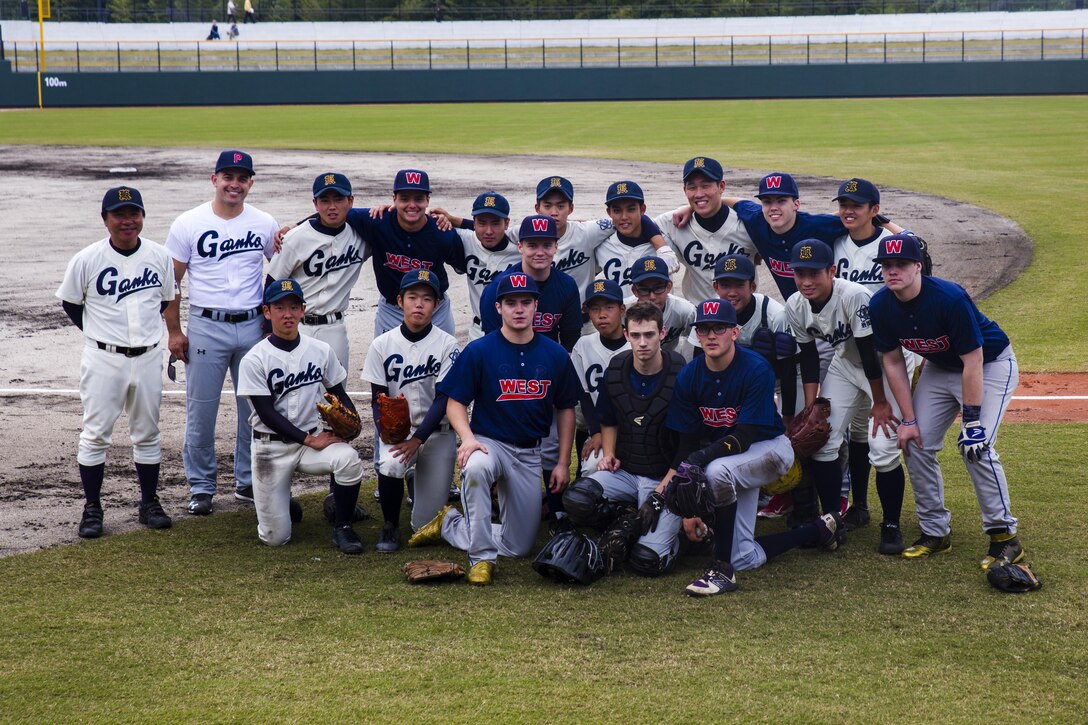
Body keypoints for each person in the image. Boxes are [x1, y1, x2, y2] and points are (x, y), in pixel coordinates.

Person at [407, 273, 581, 586]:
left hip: (529, 451)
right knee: (474, 469)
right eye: (511, 302)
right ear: (498, 307)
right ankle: (481, 558)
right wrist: (468, 438)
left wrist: (563, 461)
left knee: (519, 547)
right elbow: (455, 401)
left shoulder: (554, 354)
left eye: (525, 302)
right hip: (488, 443)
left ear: (535, 307)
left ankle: (449, 524)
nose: (519, 309)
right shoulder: (480, 350)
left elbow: (566, 408)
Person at [660, 298, 842, 596]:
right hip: (733, 459)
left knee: (717, 470)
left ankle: (721, 570)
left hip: (770, 449)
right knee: (743, 556)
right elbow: (688, 441)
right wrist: (673, 485)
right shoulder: (690, 375)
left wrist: (699, 459)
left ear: (734, 332)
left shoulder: (756, 368)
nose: (710, 336)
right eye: (704, 329)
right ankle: (820, 530)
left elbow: (744, 436)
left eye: (718, 328)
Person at [869, 234, 1026, 569]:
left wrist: (971, 421)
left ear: (917, 267)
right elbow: (894, 362)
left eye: (900, 264)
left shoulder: (949, 297)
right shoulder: (880, 304)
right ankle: (935, 533)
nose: (892, 271)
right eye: (886, 265)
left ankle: (1004, 537)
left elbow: (973, 359)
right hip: (941, 368)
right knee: (914, 443)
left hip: (990, 365)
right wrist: (908, 420)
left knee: (976, 446)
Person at [56, 187, 176, 539]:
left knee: (148, 433)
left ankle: (149, 502)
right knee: (95, 435)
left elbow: (165, 299)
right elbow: (71, 304)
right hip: (103, 358)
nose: (128, 221)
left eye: (134, 213)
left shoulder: (159, 256)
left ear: (142, 216)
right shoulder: (87, 259)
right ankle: (92, 507)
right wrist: (100, 334)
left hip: (149, 355)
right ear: (105, 219)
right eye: (119, 214)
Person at [165, 150, 279, 516]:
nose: (235, 184)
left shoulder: (263, 222)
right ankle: (201, 486)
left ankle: (247, 480)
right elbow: (172, 283)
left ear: (250, 183)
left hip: (252, 326)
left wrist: (271, 323)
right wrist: (175, 332)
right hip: (206, 326)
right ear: (214, 180)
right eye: (228, 177)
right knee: (201, 411)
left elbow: (279, 272)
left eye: (242, 178)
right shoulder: (188, 222)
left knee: (255, 408)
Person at [785, 240, 907, 555]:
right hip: (845, 363)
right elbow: (809, 357)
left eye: (814, 273)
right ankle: (832, 520)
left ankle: (890, 524)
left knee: (882, 445)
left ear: (831, 271)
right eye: (800, 274)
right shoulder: (795, 304)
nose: (807, 281)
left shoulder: (853, 296)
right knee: (823, 440)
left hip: (887, 364)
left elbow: (870, 354)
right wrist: (812, 404)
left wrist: (879, 402)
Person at [237, 279, 366, 553]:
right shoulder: (254, 359)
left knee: (348, 459)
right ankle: (282, 501)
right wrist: (310, 440)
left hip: (310, 441)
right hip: (269, 449)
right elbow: (266, 413)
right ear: (267, 312)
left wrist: (350, 420)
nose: (287, 314)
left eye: (293, 307)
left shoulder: (320, 350)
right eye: (280, 307)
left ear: (303, 310)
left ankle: (343, 527)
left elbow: (338, 391)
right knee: (275, 538)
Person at [571, 301, 685, 576]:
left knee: (646, 561)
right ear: (626, 334)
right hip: (628, 472)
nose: (642, 342)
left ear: (662, 333)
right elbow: (608, 419)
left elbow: (688, 444)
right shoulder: (617, 367)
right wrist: (608, 453)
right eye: (635, 335)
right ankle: (626, 518)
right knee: (578, 498)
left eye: (649, 334)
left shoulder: (681, 372)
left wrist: (660, 494)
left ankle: (679, 540)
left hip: (664, 478)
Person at [478, 215, 581, 518]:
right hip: (505, 368)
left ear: (555, 246)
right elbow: (494, 344)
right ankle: (495, 492)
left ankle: (557, 507)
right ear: (520, 246)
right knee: (501, 435)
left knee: (550, 443)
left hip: (546, 368)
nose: (539, 251)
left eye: (546, 244)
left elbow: (569, 339)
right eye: (532, 244)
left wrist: (548, 379)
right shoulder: (497, 288)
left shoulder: (565, 286)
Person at [361, 269, 460, 553]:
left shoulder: (448, 344)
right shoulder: (382, 345)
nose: (419, 304)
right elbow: (376, 398)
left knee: (425, 526)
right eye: (412, 297)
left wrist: (417, 440)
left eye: (427, 299)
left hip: (437, 433)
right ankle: (390, 524)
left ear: (437, 305)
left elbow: (443, 399)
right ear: (399, 301)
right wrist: (386, 434)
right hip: (399, 432)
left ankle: (418, 478)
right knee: (391, 463)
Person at [267, 172, 368, 370]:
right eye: (324, 200)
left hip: (335, 329)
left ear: (350, 201)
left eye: (338, 199)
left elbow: (395, 222)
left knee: (336, 398)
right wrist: (269, 330)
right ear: (315, 203)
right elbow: (271, 285)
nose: (332, 206)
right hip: (297, 327)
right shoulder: (295, 238)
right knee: (294, 394)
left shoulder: (362, 236)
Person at [653, 156, 757, 303]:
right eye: (692, 187)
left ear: (721, 186)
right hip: (698, 317)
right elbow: (637, 223)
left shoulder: (746, 222)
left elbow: (771, 215)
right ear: (685, 190)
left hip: (743, 314)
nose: (699, 193)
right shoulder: (674, 221)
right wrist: (662, 247)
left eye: (706, 185)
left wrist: (693, 206)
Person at [434, 191, 521, 341]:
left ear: (507, 223)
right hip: (478, 331)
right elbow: (418, 221)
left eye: (495, 223)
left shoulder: (522, 248)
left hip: (517, 330)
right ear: (474, 223)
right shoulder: (465, 239)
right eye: (481, 223)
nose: (488, 231)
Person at [570, 279, 629, 474]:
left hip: (636, 430)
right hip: (601, 426)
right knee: (591, 468)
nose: (602, 315)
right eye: (594, 309)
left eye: (609, 307)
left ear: (622, 309)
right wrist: (596, 432)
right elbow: (585, 395)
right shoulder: (583, 345)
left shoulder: (637, 342)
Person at [594, 180, 677, 297]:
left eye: (631, 209)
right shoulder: (601, 246)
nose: (624, 217)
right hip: (621, 314)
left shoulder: (666, 240)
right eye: (617, 211)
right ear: (609, 212)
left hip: (661, 315)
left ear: (642, 209)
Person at [625, 255, 696, 358]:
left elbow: (696, 341)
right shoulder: (624, 311)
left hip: (671, 361)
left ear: (668, 287)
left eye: (658, 288)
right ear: (635, 291)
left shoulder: (685, 310)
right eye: (644, 290)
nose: (652, 297)